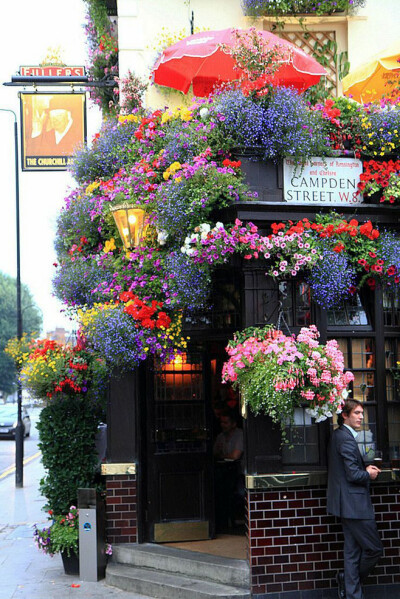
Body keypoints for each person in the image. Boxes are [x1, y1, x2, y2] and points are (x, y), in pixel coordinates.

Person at [327, 399, 384, 599]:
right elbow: (353, 474)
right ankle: (349, 581)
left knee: (352, 553)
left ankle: (352, 593)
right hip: (355, 505)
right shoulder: (345, 438)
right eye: (357, 413)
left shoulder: (339, 435)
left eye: (362, 413)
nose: (361, 417)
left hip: (346, 504)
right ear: (345, 415)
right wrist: (368, 473)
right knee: (374, 549)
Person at [213, 410, 244, 531]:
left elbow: (235, 456)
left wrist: (222, 455)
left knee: (237, 492)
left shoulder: (240, 435)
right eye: (221, 422)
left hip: (239, 472)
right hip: (226, 471)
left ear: (233, 424)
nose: (222, 425)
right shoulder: (221, 436)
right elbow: (214, 453)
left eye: (226, 422)